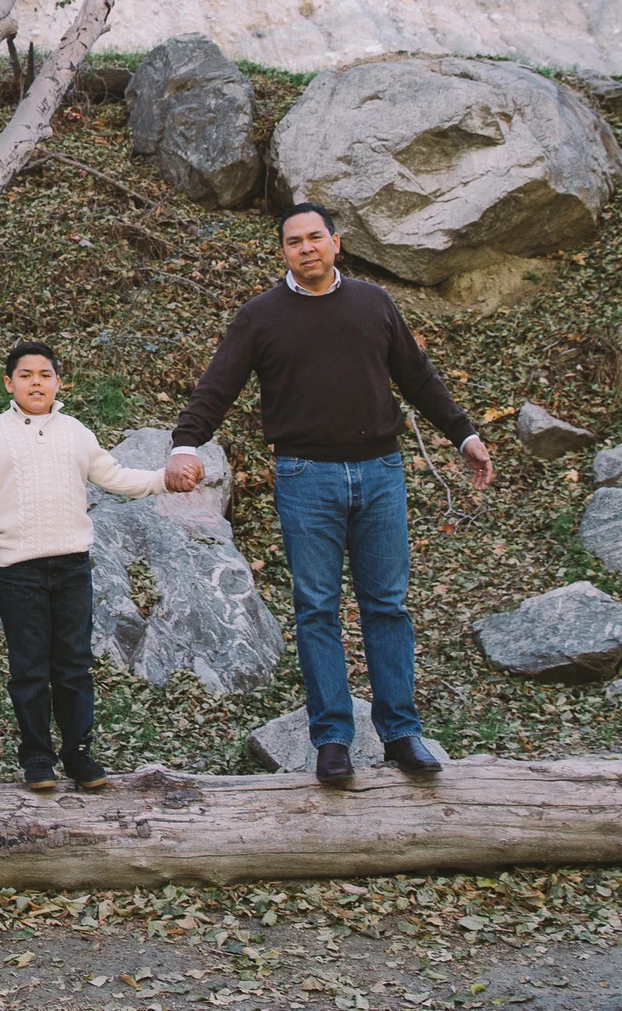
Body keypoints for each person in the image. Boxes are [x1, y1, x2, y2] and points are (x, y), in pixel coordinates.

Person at [168, 202, 494, 788]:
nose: (306, 248)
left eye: (315, 237)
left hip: (379, 474)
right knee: (317, 608)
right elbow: (217, 386)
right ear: (283, 252)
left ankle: (400, 734)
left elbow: (417, 377)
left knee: (387, 605)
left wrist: (463, 434)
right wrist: (184, 444)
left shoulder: (374, 304)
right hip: (305, 476)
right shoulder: (260, 317)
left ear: (336, 243)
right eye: (294, 241)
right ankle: (333, 740)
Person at [0, 343, 203, 792]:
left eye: (45, 374)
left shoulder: (76, 433)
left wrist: (163, 479)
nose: (36, 382)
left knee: (74, 665)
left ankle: (79, 753)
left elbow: (116, 477)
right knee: (29, 668)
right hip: (18, 570)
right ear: (9, 384)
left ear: (59, 382)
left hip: (71, 567)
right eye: (25, 375)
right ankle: (38, 757)